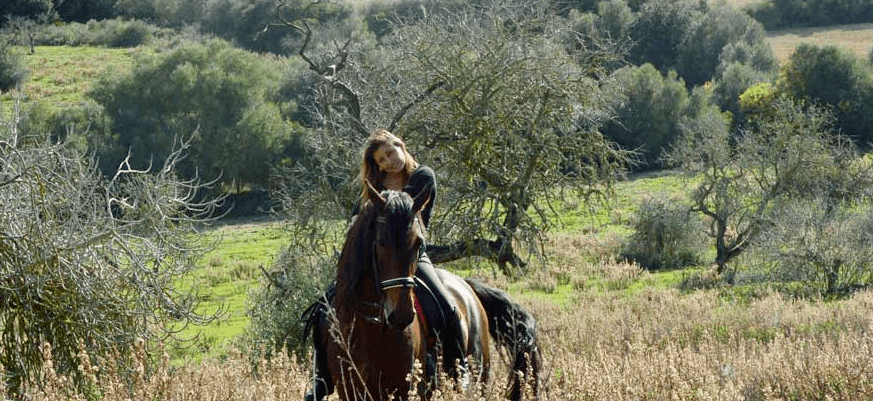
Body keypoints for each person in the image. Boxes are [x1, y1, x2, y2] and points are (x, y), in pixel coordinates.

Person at [303, 129, 467, 401]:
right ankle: (321, 378)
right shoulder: (373, 186)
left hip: (411, 254)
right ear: (376, 165)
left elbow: (403, 207)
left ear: (401, 146)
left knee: (445, 307)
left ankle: (455, 369)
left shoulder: (422, 176)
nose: (389, 161)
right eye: (381, 160)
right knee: (324, 308)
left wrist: (372, 207)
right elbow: (356, 222)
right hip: (375, 257)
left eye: (391, 153)